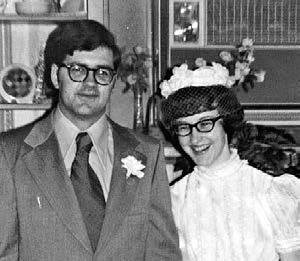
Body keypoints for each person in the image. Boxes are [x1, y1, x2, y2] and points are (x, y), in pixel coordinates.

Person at [0, 20, 181, 260]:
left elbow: (162, 254)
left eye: (102, 73)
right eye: (77, 69)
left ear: (113, 82)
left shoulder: (148, 153)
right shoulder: (9, 154)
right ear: (55, 76)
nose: (90, 83)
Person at [159, 62, 300, 261]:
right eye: (184, 127)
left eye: (205, 124)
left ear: (226, 122)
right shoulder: (175, 200)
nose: (195, 139)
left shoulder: (269, 191)